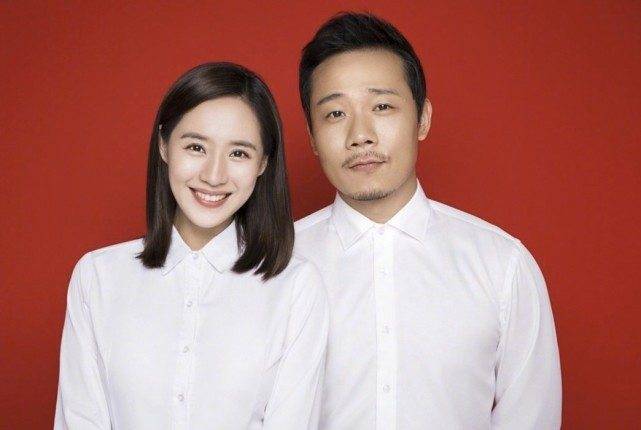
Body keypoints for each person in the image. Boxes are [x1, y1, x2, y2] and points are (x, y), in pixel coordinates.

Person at [295, 12, 562, 430]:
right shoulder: (274, 264)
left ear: (422, 118)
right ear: (312, 136)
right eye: (335, 114)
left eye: (382, 106)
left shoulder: (502, 266)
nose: (360, 135)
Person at [55, 62, 328, 429]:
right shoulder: (97, 277)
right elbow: (80, 419)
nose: (213, 176)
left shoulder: (295, 286)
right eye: (196, 147)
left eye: (239, 153)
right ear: (164, 145)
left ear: (263, 163)